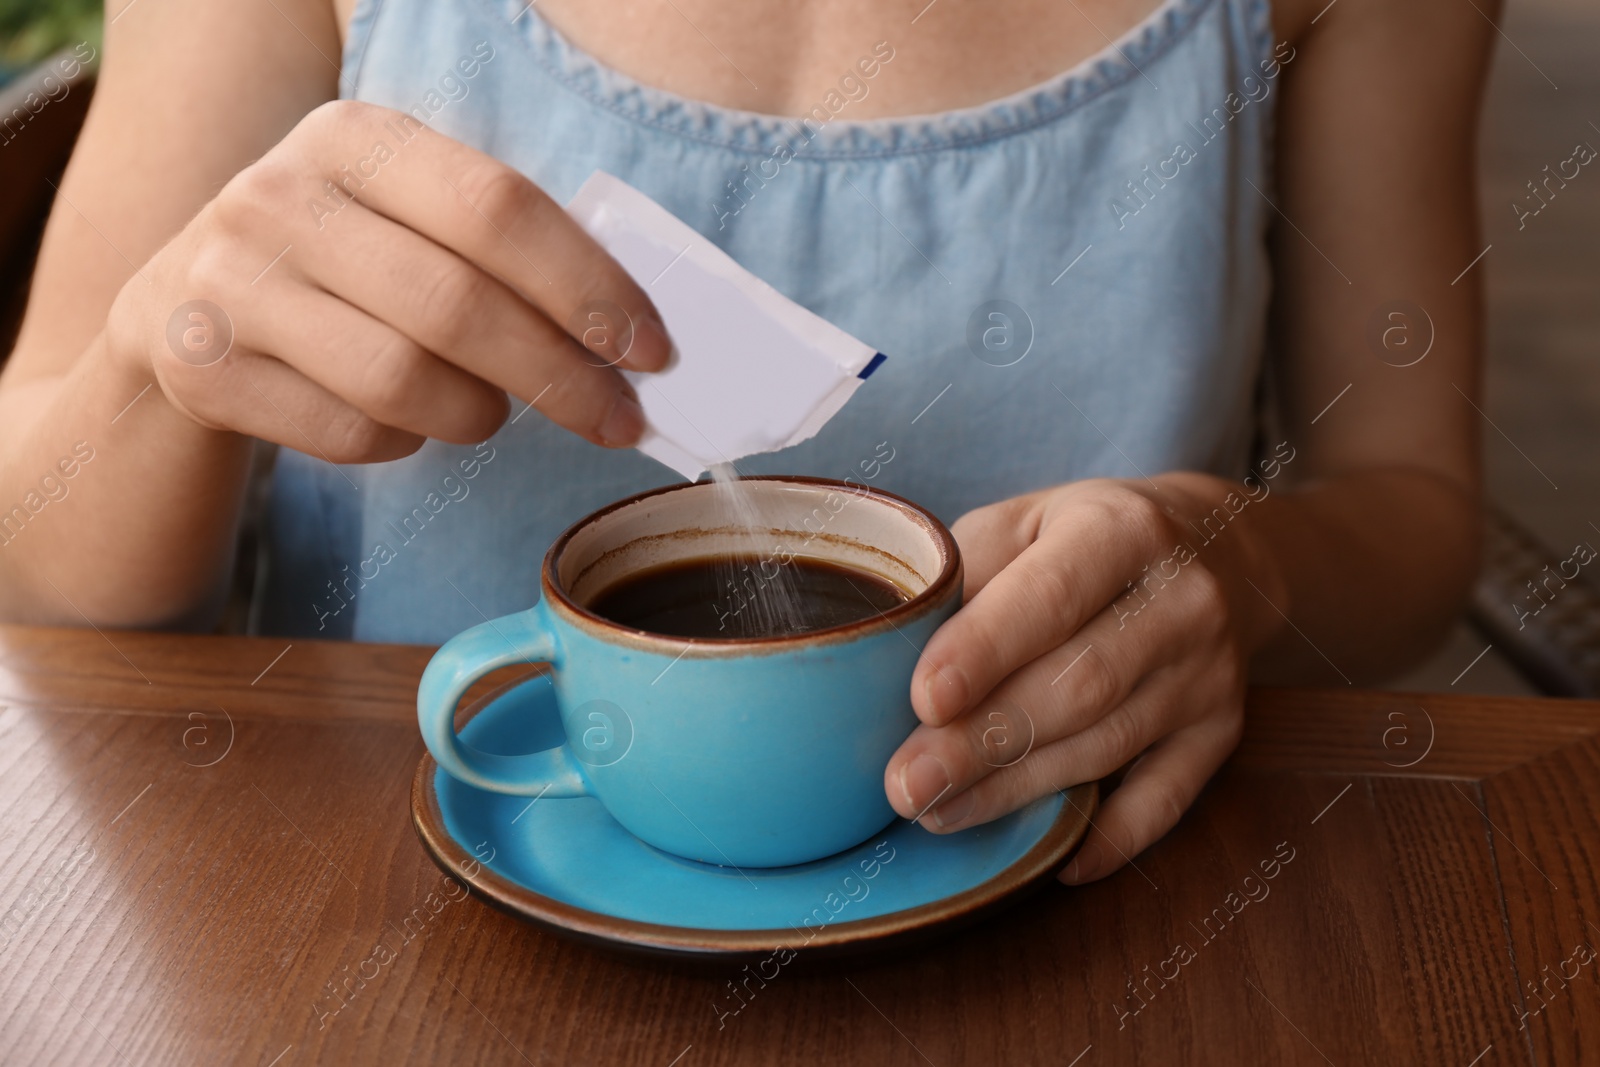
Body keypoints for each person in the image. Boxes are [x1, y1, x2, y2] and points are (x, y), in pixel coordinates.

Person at [0, 0, 1493, 884]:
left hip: (1087, 923)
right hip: (349, 920)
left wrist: (1243, 571)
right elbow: (42, 568)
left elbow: (1416, 514)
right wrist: (160, 355)